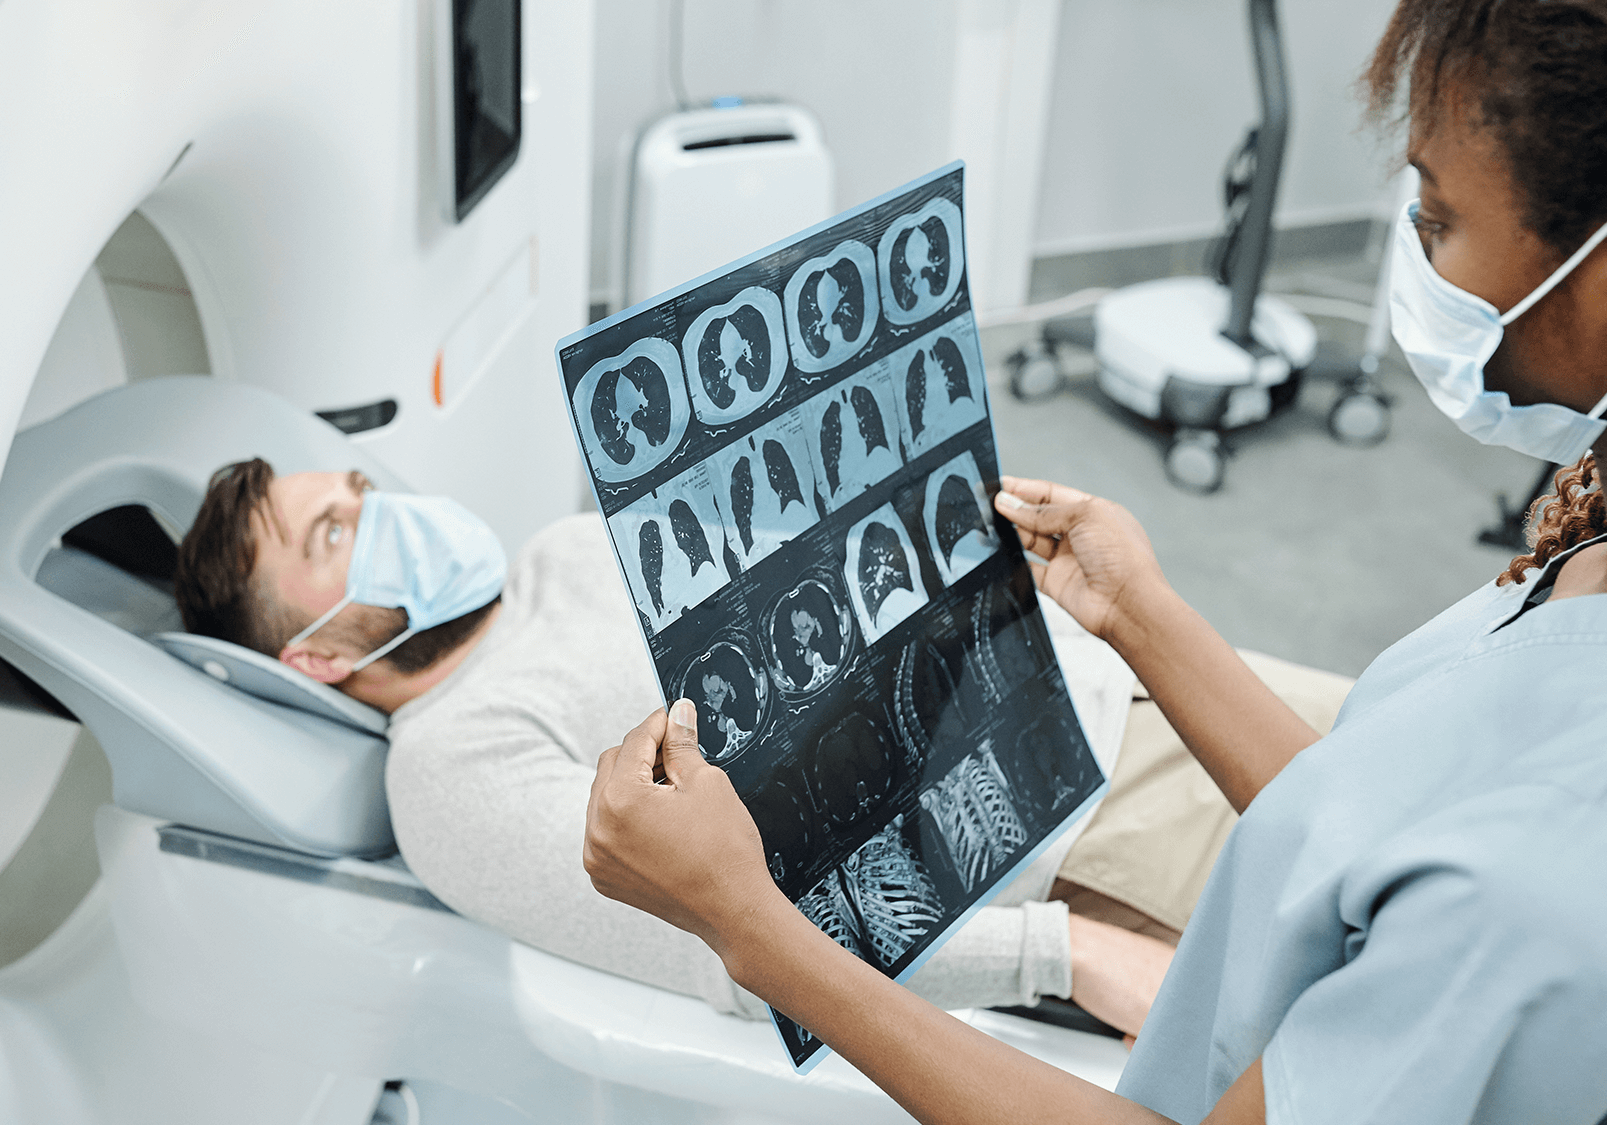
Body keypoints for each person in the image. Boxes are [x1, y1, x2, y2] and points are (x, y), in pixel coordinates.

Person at [582, 2, 1607, 1120]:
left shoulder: (1536, 890)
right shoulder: (1583, 562)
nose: (1418, 252)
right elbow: (1374, 834)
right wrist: (1137, 613)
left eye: (1436, 217)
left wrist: (749, 928)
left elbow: (1457, 887)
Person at [171, 457, 1248, 1036]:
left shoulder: (563, 546)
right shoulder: (451, 766)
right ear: (312, 657)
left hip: (1102, 665)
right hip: (1071, 827)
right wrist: (1065, 955)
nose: (382, 511)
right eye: (332, 537)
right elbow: (732, 942)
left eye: (356, 493)